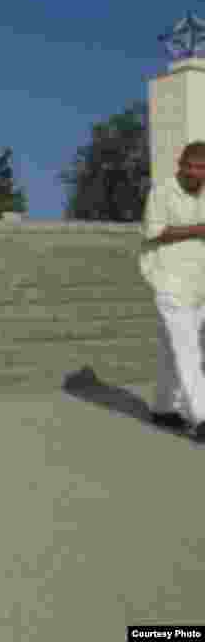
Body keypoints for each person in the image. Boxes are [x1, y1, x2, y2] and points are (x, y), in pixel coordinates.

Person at [139, 141, 205, 439]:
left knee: (171, 349)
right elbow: (154, 230)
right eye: (189, 165)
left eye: (201, 167)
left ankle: (163, 408)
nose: (194, 172)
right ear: (180, 164)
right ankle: (202, 416)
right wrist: (197, 229)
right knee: (189, 350)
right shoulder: (162, 192)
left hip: (199, 284)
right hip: (170, 281)